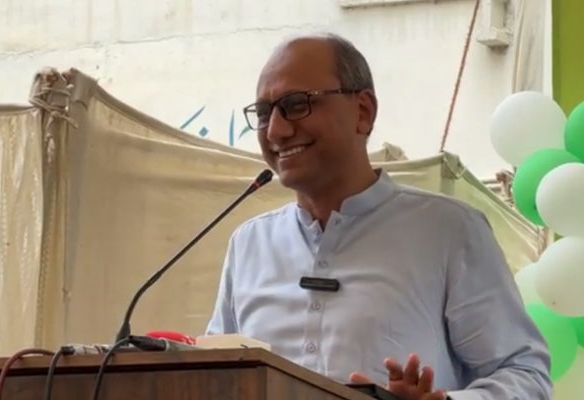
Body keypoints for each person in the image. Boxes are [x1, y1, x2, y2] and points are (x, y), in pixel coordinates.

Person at [205, 32, 552, 400]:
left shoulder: (447, 231)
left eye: (296, 104)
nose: (276, 130)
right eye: (262, 113)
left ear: (363, 112)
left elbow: (525, 375)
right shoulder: (249, 244)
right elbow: (212, 373)